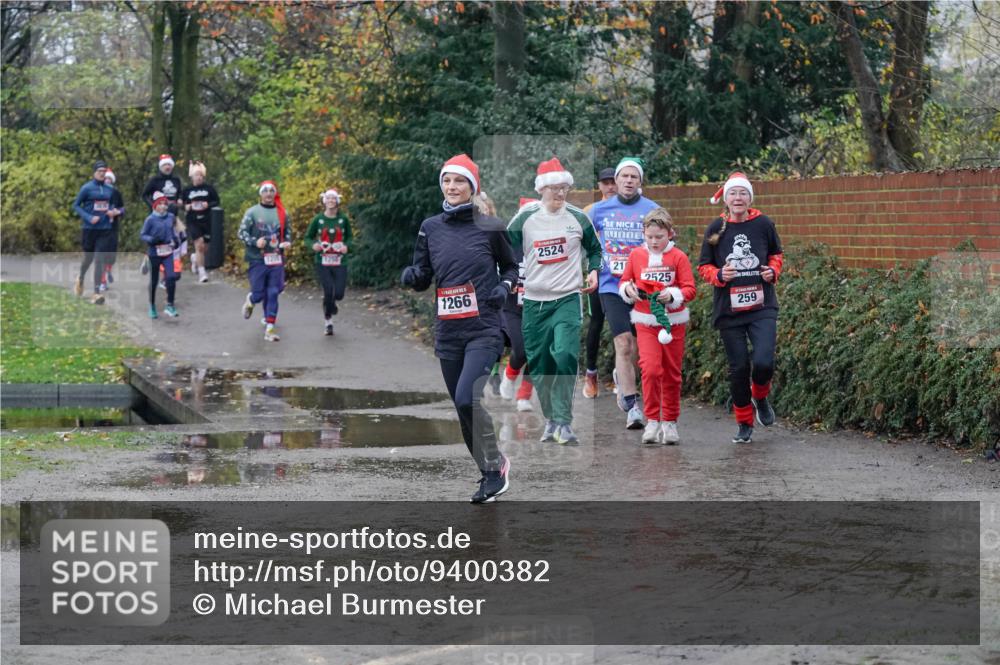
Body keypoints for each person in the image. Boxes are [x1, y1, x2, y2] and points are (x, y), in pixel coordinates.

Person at [400, 154, 518, 504]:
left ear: (472, 188)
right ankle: (489, 474)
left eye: (459, 181)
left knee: (469, 397)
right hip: (448, 332)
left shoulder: (491, 226)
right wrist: (412, 277)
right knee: (461, 406)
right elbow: (422, 273)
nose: (452, 187)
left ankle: (495, 468)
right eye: (447, 181)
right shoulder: (430, 227)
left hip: (484, 329)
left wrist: (504, 288)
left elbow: (511, 268)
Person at [507, 157, 602, 444]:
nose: (560, 194)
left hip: (567, 298)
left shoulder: (578, 218)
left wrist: (594, 271)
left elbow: (595, 250)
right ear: (541, 190)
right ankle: (552, 420)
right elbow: (503, 252)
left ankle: (564, 422)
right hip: (534, 302)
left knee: (565, 354)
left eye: (564, 188)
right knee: (541, 365)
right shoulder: (524, 218)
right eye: (554, 188)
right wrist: (507, 278)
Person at [697, 172, 784, 444]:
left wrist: (772, 271)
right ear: (726, 198)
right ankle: (744, 422)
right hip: (729, 311)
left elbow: (776, 255)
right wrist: (719, 275)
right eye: (733, 193)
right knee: (738, 368)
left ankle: (760, 395)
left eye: (743, 193)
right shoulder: (716, 228)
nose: (738, 198)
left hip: (762, 306)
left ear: (750, 198)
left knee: (763, 362)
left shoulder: (764, 224)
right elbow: (703, 266)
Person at [589, 156, 660, 430]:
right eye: (624, 176)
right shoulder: (598, 210)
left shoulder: (653, 210)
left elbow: (666, 244)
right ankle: (632, 406)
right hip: (611, 285)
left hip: (644, 287)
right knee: (623, 342)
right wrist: (592, 268)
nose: (629, 181)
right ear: (615, 181)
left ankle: (628, 381)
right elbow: (584, 242)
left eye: (634, 176)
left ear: (640, 181)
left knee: (641, 347)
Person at [618, 208, 696, 444]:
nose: (654, 242)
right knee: (651, 369)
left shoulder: (679, 257)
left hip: (674, 323)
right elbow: (625, 281)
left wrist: (672, 296)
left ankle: (670, 423)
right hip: (646, 322)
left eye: (659, 237)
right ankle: (652, 421)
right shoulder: (636, 256)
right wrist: (628, 290)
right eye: (650, 236)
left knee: (671, 373)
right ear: (644, 233)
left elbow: (690, 289)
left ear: (670, 234)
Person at [580, 167, 617, 398]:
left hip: (623, 277)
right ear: (600, 186)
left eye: (614, 181)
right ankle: (591, 374)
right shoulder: (591, 211)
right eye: (606, 182)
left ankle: (618, 374)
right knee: (596, 323)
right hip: (598, 274)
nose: (610, 186)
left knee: (623, 328)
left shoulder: (627, 209)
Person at [498, 197, 537, 413]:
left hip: (540, 306)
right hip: (513, 306)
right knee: (521, 350)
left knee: (537, 352)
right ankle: (510, 375)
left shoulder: (546, 241)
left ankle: (524, 396)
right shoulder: (508, 241)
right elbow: (496, 267)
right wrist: (505, 282)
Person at [239, 180, 291, 342]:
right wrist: (255, 242)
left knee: (274, 291)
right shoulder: (252, 212)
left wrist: (287, 242)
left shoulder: (282, 213)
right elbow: (241, 233)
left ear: (275, 194)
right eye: (265, 191)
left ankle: (270, 328)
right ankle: (251, 300)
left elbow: (287, 232)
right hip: (258, 259)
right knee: (259, 293)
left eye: (271, 191)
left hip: (276, 258)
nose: (268, 194)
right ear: (260, 194)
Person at [72, 160, 122, 305]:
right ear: (94, 172)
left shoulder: (110, 190)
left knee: (99, 260)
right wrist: (88, 217)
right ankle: (80, 277)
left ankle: (96, 293)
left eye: (104, 171)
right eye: (99, 171)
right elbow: (76, 205)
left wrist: (113, 211)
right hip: (89, 230)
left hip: (105, 229)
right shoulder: (86, 188)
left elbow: (114, 205)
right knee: (88, 259)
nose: (102, 174)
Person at [304, 188, 353, 336]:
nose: (331, 201)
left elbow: (350, 237)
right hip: (322, 261)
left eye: (334, 199)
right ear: (324, 201)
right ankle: (328, 322)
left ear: (337, 201)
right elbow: (308, 237)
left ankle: (332, 304)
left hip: (340, 261)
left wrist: (347, 246)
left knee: (338, 294)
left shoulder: (343, 219)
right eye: (328, 198)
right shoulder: (318, 219)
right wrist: (313, 245)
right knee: (328, 291)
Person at [140, 191, 183, 318]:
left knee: (171, 277)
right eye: (161, 204)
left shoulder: (170, 217)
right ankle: (152, 305)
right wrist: (151, 240)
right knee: (154, 281)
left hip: (168, 252)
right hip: (154, 253)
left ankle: (170, 305)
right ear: (155, 206)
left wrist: (175, 240)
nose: (164, 206)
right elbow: (143, 235)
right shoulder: (150, 219)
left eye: (165, 204)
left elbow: (173, 231)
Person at [181, 160, 220, 283]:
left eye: (201, 175)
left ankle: (195, 259)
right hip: (193, 220)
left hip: (207, 220)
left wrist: (207, 204)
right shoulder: (187, 190)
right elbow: (181, 203)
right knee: (199, 244)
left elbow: (216, 201)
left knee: (205, 247)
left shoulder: (209, 189)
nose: (199, 178)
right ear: (192, 176)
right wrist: (185, 207)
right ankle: (202, 271)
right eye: (197, 175)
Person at [99, 167, 125, 292]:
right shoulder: (96, 193)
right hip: (100, 228)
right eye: (105, 178)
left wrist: (117, 212)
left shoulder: (116, 193)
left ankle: (108, 270)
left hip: (113, 227)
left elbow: (123, 209)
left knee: (112, 254)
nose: (107, 181)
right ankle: (102, 281)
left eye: (109, 179)